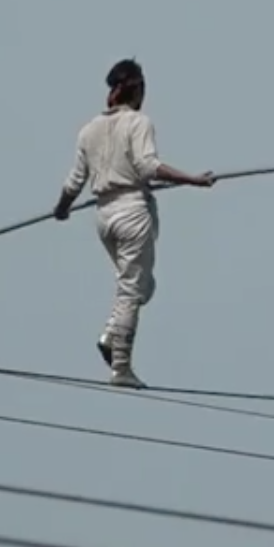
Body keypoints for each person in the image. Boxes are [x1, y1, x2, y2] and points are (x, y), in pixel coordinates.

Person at [53, 58, 214, 388]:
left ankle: (110, 336)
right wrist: (193, 180)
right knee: (131, 290)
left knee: (140, 286)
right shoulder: (138, 123)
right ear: (137, 88)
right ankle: (120, 367)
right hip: (131, 212)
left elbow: (73, 183)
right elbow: (147, 167)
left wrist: (62, 209)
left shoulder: (88, 131)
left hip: (104, 217)